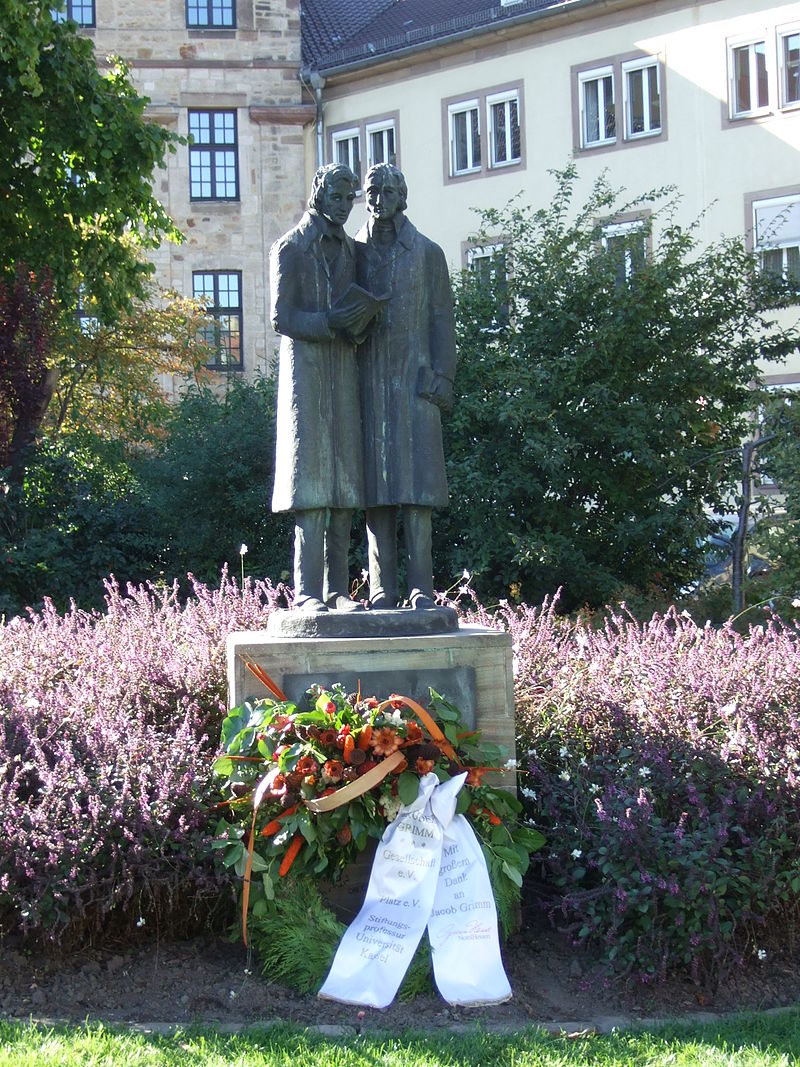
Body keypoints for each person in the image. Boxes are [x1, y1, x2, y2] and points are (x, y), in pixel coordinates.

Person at [270, 163, 372, 612]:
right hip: (307, 378)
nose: (344, 204)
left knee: (345, 483)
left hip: (343, 373)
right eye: (336, 195)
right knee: (310, 488)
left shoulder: (351, 250)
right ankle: (308, 591)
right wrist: (330, 323)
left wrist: (363, 321)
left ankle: (337, 590)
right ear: (319, 191)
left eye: (350, 197)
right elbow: (281, 317)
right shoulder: (291, 247)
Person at [355, 164, 457, 609]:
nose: (380, 198)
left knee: (417, 491)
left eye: (388, 190)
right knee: (377, 491)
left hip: (416, 384)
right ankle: (382, 588)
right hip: (369, 383)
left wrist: (443, 376)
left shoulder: (427, 253)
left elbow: (442, 319)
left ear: (403, 197)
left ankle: (421, 588)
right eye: (373, 191)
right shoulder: (352, 252)